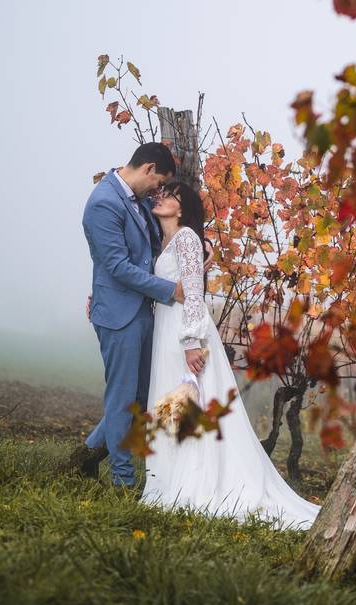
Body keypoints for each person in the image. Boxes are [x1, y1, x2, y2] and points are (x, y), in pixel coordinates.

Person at [140, 180, 320, 530]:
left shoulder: (189, 238)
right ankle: (168, 476)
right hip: (166, 330)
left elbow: (194, 290)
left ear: (182, 207)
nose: (160, 198)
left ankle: (193, 482)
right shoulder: (164, 240)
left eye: (170, 195)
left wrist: (192, 340)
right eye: (160, 194)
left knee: (189, 402)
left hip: (184, 332)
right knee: (171, 405)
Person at [63, 142, 184, 487]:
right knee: (122, 397)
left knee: (143, 395)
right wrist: (169, 291)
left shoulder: (139, 199)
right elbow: (116, 265)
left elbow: (147, 249)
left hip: (144, 310)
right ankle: (122, 478)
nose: (157, 191)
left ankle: (88, 452)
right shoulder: (103, 203)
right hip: (119, 314)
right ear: (147, 168)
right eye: (158, 181)